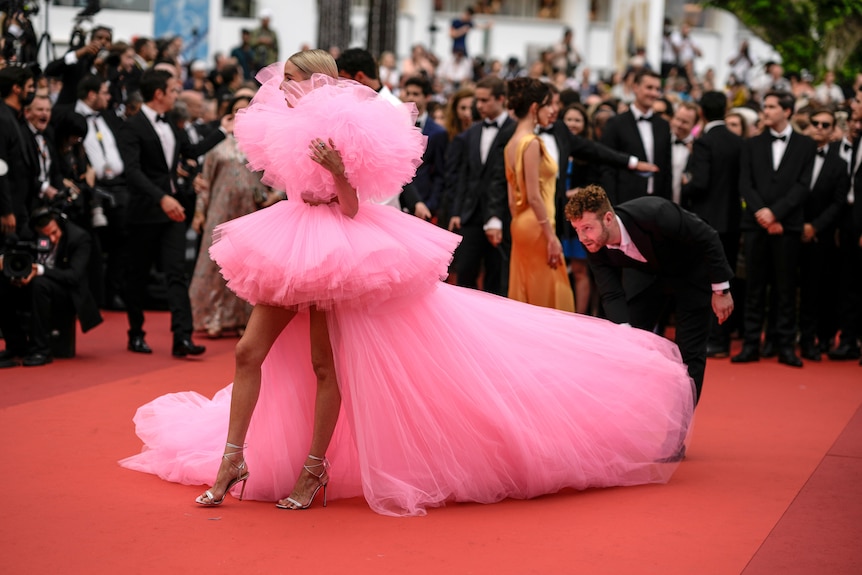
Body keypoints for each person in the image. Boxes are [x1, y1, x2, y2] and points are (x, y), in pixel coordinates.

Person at [120, 51, 696, 517]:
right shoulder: (277, 123)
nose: (281, 89)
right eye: (282, 82)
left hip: (338, 246)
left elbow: (350, 206)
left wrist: (340, 172)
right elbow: (293, 187)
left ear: (314, 83)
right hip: (291, 241)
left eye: (291, 81)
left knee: (327, 364)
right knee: (249, 352)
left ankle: (314, 467)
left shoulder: (345, 125)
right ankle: (233, 458)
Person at [566, 184, 734, 404]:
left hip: (691, 272)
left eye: (587, 228)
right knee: (625, 343)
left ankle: (679, 430)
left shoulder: (655, 213)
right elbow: (612, 293)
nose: (582, 238)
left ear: (608, 218)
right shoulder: (595, 245)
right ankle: (634, 412)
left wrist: (721, 290)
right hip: (648, 276)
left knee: (689, 356)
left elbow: (708, 237)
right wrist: (625, 333)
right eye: (577, 229)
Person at [122, 68, 232, 357]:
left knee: (176, 273)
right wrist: (161, 198)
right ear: (159, 93)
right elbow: (132, 173)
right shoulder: (132, 126)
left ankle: (181, 337)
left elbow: (192, 152)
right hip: (144, 212)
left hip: (173, 210)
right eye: (173, 90)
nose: (176, 94)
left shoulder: (171, 122)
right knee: (137, 275)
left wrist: (223, 129)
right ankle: (135, 332)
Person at [731, 91, 816, 368]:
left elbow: (803, 186)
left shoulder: (806, 145)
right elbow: (745, 184)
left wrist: (777, 213)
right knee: (754, 287)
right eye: (764, 106)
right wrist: (764, 214)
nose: (765, 111)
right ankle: (751, 345)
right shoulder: (751, 144)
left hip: (787, 226)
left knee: (786, 289)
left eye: (770, 107)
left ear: (787, 111)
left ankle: (785, 348)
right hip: (756, 226)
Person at [189, 95, 270, 338]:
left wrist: (272, 197)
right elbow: (205, 182)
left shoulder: (262, 145)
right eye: (237, 110)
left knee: (247, 266)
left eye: (247, 110)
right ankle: (214, 316)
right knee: (217, 265)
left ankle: (243, 318)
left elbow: (275, 178)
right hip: (219, 210)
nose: (242, 115)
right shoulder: (217, 145)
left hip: (250, 213)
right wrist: (199, 212)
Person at [680, 91, 744, 358]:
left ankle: (710, 339)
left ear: (701, 113)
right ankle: (722, 338)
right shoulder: (738, 141)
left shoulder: (704, 142)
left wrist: (687, 184)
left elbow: (701, 183)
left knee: (706, 282)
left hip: (707, 222)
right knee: (726, 281)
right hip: (733, 220)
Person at [0, 207, 102, 367]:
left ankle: (41, 349)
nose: (53, 239)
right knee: (4, 285)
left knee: (39, 284)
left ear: (59, 225)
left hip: (67, 294)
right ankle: (15, 345)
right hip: (35, 288)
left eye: (54, 233)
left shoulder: (79, 238)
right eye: (47, 235)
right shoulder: (29, 236)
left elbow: (74, 276)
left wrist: (40, 270)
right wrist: (18, 276)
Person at [503, 78, 573, 311]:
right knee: (547, 294)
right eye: (548, 105)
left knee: (527, 290)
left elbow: (513, 198)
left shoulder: (511, 143)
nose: (553, 110)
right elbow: (534, 196)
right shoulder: (531, 142)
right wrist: (550, 236)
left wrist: (521, 223)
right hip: (538, 224)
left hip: (522, 223)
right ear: (534, 108)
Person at [797, 108, 849, 360]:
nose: (819, 127)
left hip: (821, 235)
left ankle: (814, 339)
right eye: (815, 122)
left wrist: (814, 226)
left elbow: (838, 203)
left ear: (832, 130)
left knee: (817, 289)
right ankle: (785, 338)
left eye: (825, 124)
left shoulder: (840, 164)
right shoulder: (795, 156)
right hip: (789, 229)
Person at [599, 70, 672, 205]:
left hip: (657, 202)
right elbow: (607, 166)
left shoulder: (663, 125)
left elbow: (667, 169)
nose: (654, 93)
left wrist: (667, 203)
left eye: (657, 89)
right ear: (635, 88)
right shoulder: (616, 123)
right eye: (649, 88)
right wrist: (612, 205)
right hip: (625, 201)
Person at [44, 25, 113, 107]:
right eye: (99, 38)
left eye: (107, 40)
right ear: (91, 41)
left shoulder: (111, 64)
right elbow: (50, 70)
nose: (103, 42)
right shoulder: (79, 57)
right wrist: (80, 52)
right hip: (68, 109)